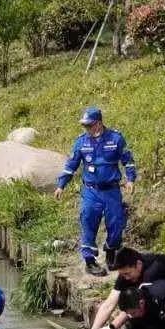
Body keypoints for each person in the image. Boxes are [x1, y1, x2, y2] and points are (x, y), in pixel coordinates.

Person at [55, 107, 137, 277]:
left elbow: (128, 161)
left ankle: (111, 251)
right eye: (84, 126)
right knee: (88, 222)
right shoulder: (81, 142)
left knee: (116, 224)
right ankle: (90, 261)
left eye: (89, 125)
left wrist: (130, 179)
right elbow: (71, 165)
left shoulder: (116, 139)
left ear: (98, 124)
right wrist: (61, 185)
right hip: (91, 191)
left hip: (112, 191)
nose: (86, 129)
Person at [79, 247, 165, 329]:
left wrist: (111, 328)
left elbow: (136, 306)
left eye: (127, 274)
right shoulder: (127, 274)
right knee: (135, 320)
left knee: (142, 321)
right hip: (161, 303)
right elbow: (109, 305)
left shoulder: (154, 271)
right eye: (123, 274)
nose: (126, 278)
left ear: (138, 264)